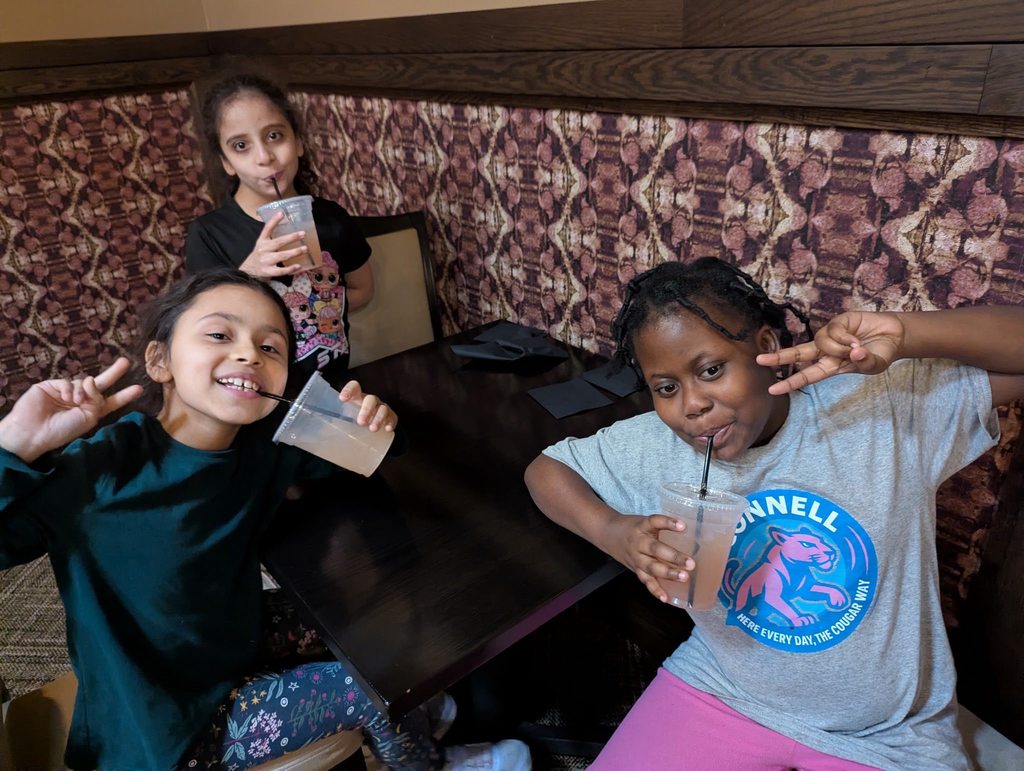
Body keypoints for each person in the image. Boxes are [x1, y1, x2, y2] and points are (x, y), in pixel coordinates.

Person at [0, 270, 530, 770]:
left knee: (367, 615)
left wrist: (375, 420)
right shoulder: (103, 467)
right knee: (373, 684)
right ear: (160, 361)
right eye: (218, 335)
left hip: (228, 639)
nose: (247, 354)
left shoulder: (266, 442)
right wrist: (13, 447)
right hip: (169, 725)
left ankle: (410, 715)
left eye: (269, 346)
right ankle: (430, 763)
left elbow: (374, 450)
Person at [524, 256, 1024, 770]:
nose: (691, 405)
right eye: (666, 387)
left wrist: (908, 331)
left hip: (890, 731)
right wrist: (615, 532)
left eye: (711, 370)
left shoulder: (884, 408)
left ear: (765, 348)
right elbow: (545, 471)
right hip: (724, 687)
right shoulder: (657, 443)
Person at [185, 71, 373, 389]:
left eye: (274, 136)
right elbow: (203, 329)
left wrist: (317, 309)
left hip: (334, 384)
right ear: (227, 162)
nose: (265, 157)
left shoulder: (332, 219)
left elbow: (363, 290)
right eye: (241, 145)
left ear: (298, 141)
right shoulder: (209, 234)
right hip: (253, 393)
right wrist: (249, 274)